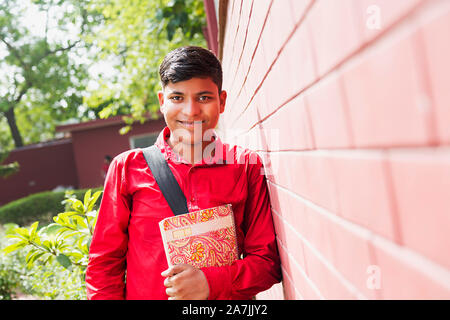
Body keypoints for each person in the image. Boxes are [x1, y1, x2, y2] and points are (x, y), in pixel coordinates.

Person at [85, 46, 281, 300]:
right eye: (177, 98)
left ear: (221, 101)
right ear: (161, 102)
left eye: (204, 98)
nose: (191, 111)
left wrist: (211, 283)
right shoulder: (128, 168)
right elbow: (104, 265)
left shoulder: (246, 166)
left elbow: (267, 263)